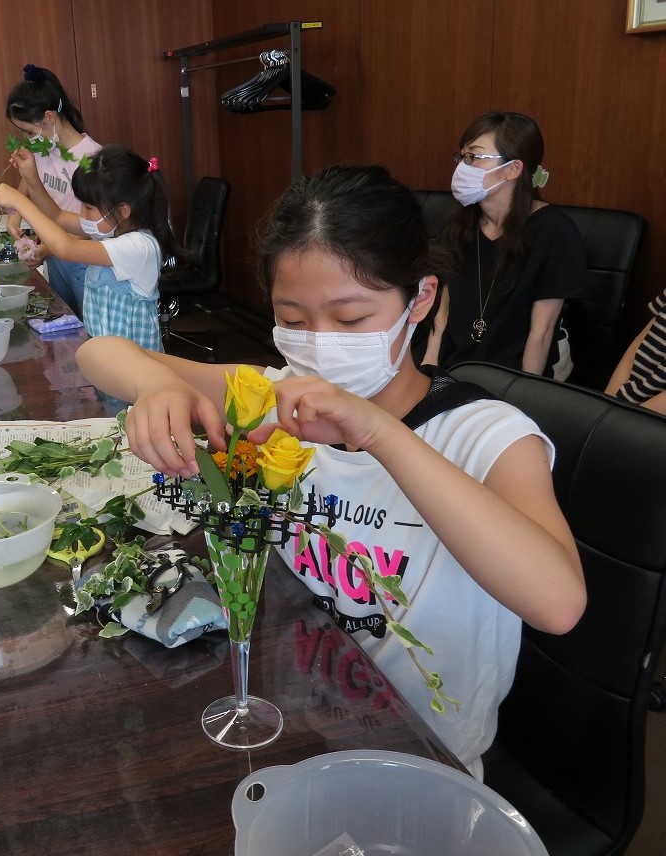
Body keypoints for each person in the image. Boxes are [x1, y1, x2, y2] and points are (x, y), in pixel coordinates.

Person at [76, 163, 586, 778]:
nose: (319, 345)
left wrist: (375, 431)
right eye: (292, 320)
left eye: (351, 321)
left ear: (420, 298)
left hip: (421, 760)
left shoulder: (487, 436)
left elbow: (557, 603)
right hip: (296, 728)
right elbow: (98, 354)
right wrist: (158, 385)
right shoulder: (282, 396)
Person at [421, 111, 588, 379]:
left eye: (474, 157)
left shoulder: (554, 231)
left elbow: (542, 333)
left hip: (519, 367)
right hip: (457, 359)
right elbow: (444, 299)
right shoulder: (457, 222)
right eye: (462, 157)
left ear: (513, 169)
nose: (463, 167)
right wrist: (430, 362)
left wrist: (523, 395)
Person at [0, 145, 176, 352]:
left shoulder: (139, 247)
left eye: (89, 207)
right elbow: (57, 216)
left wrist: (19, 201)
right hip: (110, 361)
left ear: (122, 211)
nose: (82, 214)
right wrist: (31, 179)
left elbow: (65, 248)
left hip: (135, 369)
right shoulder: (111, 229)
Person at [5, 64, 102, 316]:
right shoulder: (46, 146)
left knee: (86, 329)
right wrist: (15, 214)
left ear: (49, 118)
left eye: (29, 131)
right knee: (65, 321)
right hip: (54, 255)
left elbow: (95, 225)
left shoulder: (90, 157)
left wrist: (48, 248)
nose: (28, 138)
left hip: (83, 260)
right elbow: (30, 178)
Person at [605, 286, 666, 413]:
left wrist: (621, 420)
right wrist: (608, 402)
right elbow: (640, 346)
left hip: (649, 420)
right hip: (628, 407)